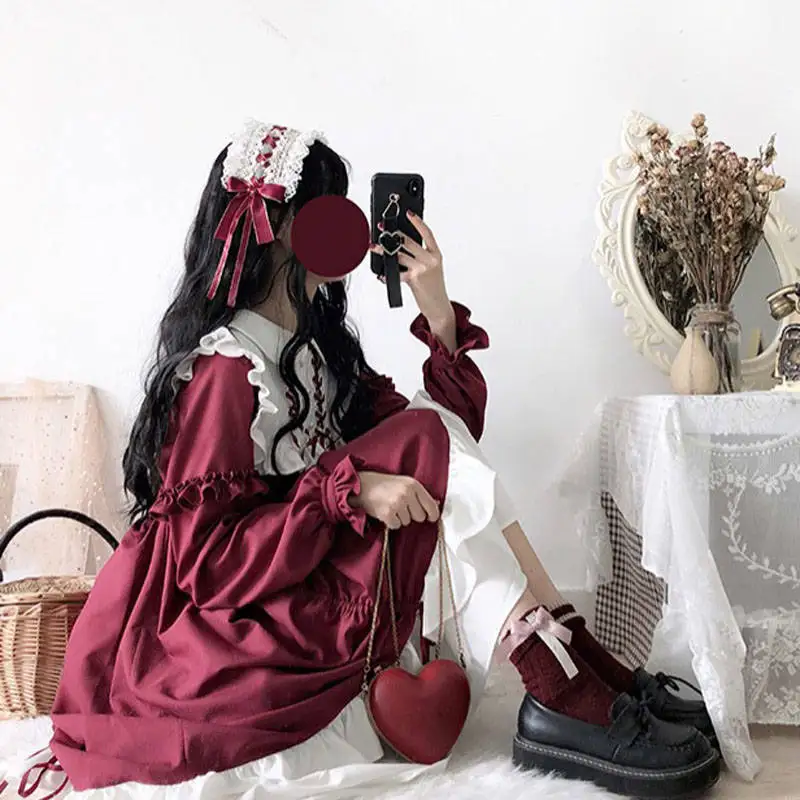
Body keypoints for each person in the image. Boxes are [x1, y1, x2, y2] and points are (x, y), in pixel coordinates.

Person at [1, 120, 720, 800]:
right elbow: (208, 565)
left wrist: (437, 311)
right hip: (232, 619)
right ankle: (566, 681)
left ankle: (576, 671)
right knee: (422, 437)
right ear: (284, 228)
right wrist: (341, 494)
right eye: (329, 211)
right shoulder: (225, 371)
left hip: (298, 573)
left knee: (426, 434)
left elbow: (447, 447)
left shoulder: (310, 354)